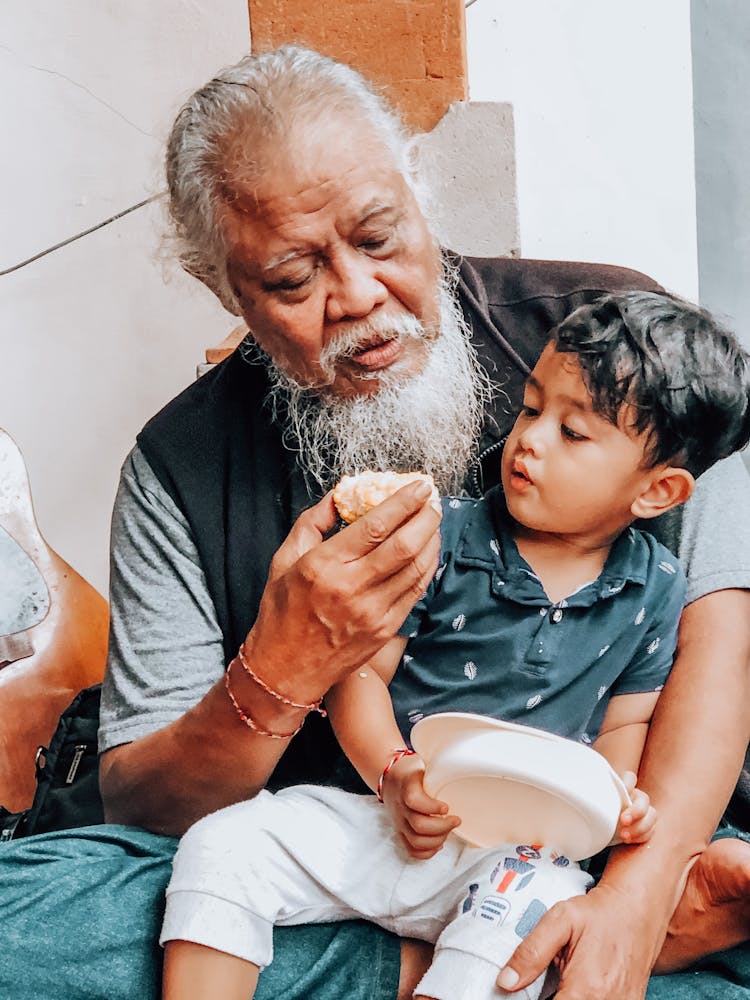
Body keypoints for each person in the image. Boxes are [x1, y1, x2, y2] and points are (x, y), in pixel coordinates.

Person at [2, 44, 750, 1000]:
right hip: (335, 858)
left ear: (418, 192)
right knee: (31, 915)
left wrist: (636, 901)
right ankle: (470, 972)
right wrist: (284, 665)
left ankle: (601, 942)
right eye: (291, 279)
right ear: (224, 288)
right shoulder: (177, 470)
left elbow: (719, 646)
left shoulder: (614, 347)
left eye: (380, 236)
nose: (357, 297)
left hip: (558, 861)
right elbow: (145, 813)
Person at [158, 289, 750, 1000]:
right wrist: (395, 772)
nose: (530, 438)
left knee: (529, 943)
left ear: (658, 492)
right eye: (533, 408)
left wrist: (617, 797)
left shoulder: (654, 590)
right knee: (223, 845)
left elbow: (624, 721)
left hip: (521, 855)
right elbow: (361, 678)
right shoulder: (446, 537)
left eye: (574, 432)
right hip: (392, 819)